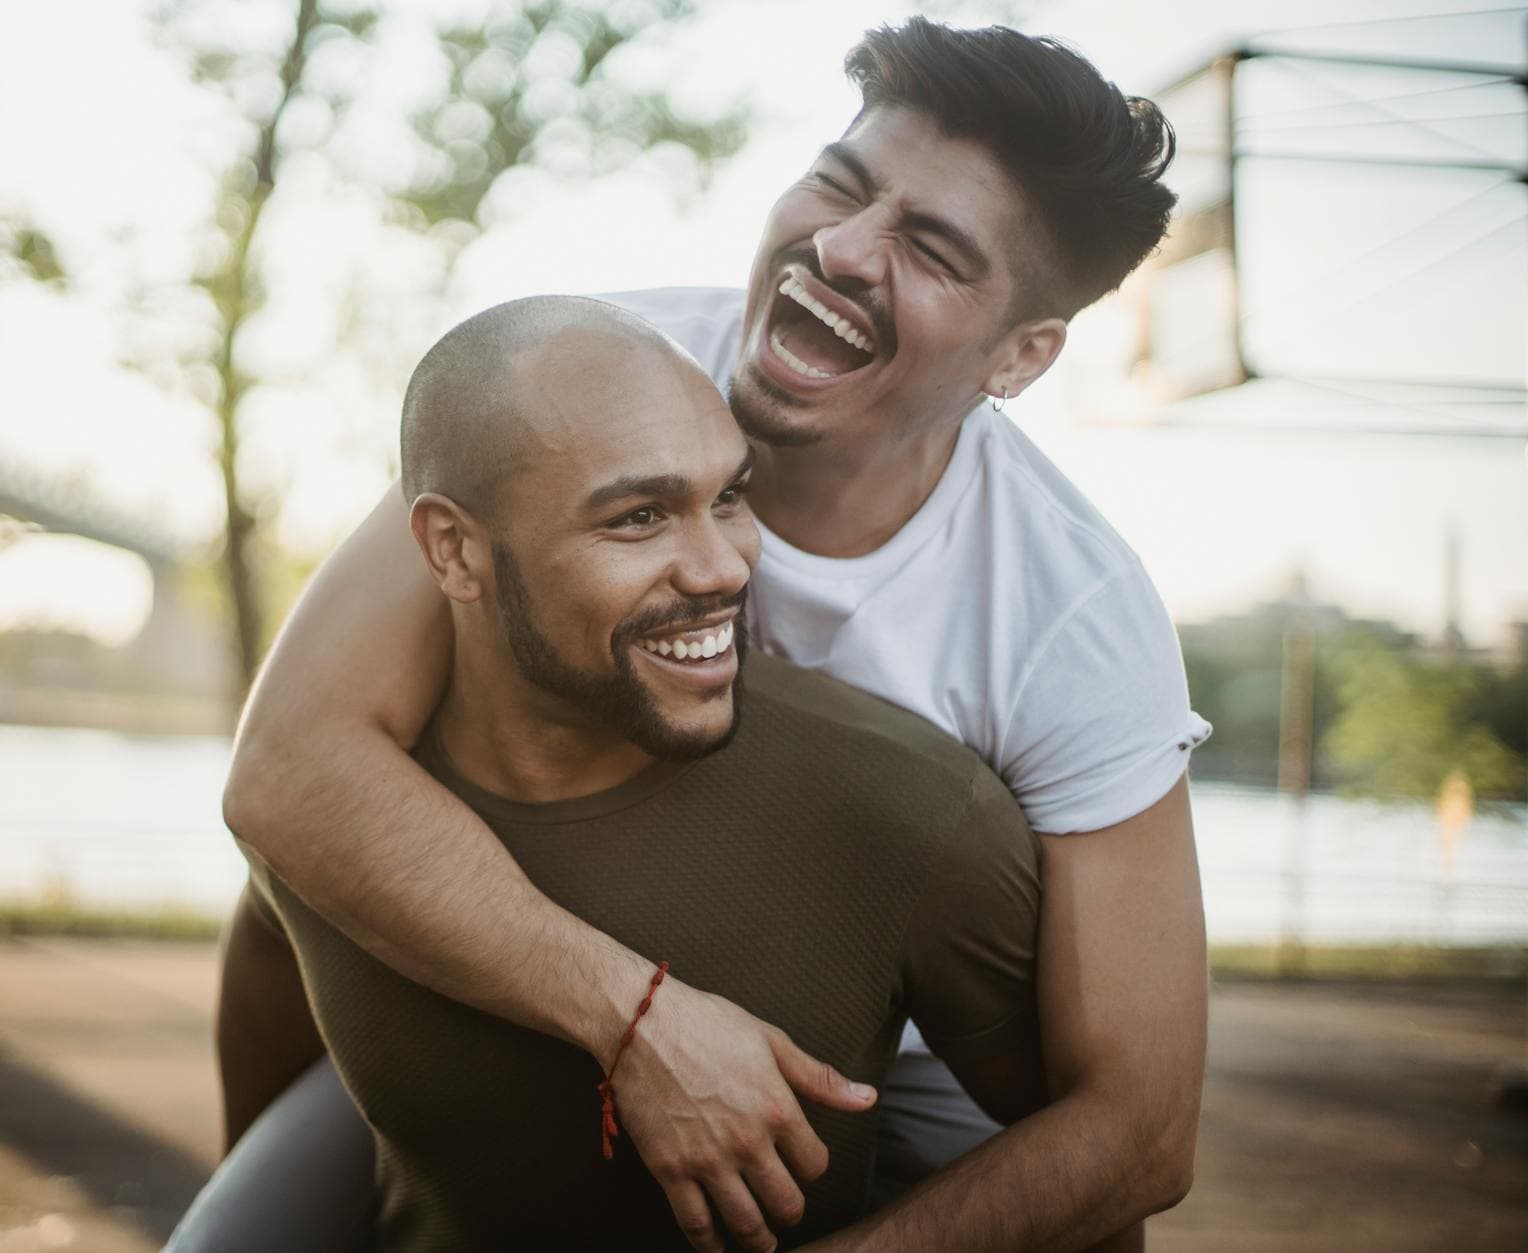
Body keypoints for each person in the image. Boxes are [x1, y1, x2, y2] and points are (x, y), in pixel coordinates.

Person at [222, 18, 1209, 1253]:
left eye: (931, 249)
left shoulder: (1073, 620)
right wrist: (636, 1020)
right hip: (540, 961)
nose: (842, 249)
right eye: (839, 185)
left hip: (902, 1068)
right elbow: (289, 770)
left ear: (1020, 355)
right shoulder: (580, 382)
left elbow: (1137, 1124)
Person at [176, 295, 1047, 1252]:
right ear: (453, 549)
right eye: (639, 517)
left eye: (728, 496)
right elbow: (268, 948)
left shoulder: (907, 809)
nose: (723, 567)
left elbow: (1088, 1166)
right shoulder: (348, 825)